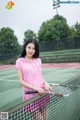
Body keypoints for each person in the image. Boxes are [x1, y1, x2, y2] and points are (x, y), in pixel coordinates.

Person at [15, 38, 52, 120]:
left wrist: (46, 83)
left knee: (44, 117)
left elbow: (40, 76)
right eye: (29, 47)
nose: (31, 50)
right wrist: (35, 88)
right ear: (25, 47)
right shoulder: (19, 61)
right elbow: (21, 81)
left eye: (34, 48)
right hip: (31, 94)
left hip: (42, 92)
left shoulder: (38, 60)